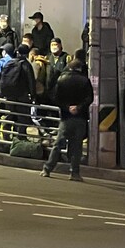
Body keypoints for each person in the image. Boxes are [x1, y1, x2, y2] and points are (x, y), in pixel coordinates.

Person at [41, 50, 93, 182]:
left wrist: (67, 107)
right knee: (77, 147)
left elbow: (55, 97)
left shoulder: (62, 79)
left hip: (66, 117)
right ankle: (74, 172)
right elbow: (90, 98)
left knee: (58, 144)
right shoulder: (85, 81)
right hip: (80, 117)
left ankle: (47, 168)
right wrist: (78, 107)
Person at [0, 43, 36, 140]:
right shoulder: (26, 65)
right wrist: (33, 96)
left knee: (9, 115)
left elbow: (1, 78)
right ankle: (20, 137)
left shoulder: (9, 63)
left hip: (9, 95)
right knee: (22, 117)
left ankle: (6, 136)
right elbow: (31, 82)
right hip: (22, 96)